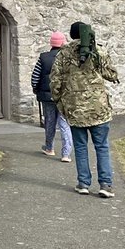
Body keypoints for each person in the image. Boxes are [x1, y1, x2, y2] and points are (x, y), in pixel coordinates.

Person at [50, 21, 120, 197]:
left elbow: (55, 81)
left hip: (75, 109)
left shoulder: (63, 54)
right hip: (99, 109)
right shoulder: (98, 51)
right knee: (102, 146)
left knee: (81, 147)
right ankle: (105, 185)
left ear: (72, 35)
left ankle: (83, 183)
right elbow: (111, 75)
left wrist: (60, 102)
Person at [30, 31, 72, 162]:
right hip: (64, 96)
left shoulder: (44, 57)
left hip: (47, 95)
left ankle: (49, 148)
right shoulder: (69, 58)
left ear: (51, 43)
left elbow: (35, 76)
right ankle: (66, 153)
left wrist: (36, 89)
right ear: (63, 43)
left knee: (50, 122)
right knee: (65, 124)